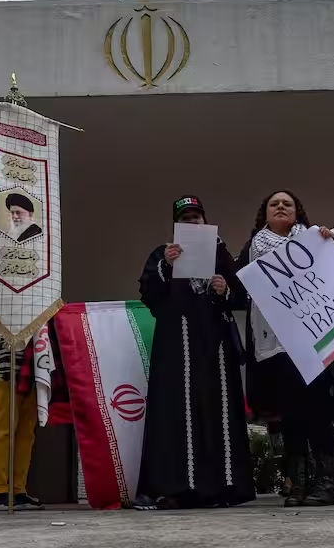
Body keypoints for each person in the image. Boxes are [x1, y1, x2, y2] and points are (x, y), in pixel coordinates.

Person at [133, 196, 253, 510]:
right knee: (176, 413)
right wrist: (166, 266)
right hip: (177, 348)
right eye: (185, 218)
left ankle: (223, 488)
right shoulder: (163, 253)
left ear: (204, 221)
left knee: (217, 410)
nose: (192, 222)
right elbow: (149, 295)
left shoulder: (220, 253)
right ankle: (177, 488)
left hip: (216, 347)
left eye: (196, 217)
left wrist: (224, 289)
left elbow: (242, 295)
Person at [242, 191, 334, 507]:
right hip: (276, 345)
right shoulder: (253, 248)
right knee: (291, 414)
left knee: (317, 410)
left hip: (313, 339)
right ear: (265, 214)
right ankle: (298, 484)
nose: (280, 207)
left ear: (297, 211)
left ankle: (324, 484)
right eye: (274, 204)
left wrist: (327, 244)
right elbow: (237, 285)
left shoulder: (314, 240)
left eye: (286, 203)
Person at [0, 332, 42, 511]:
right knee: (4, 428)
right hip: (8, 365)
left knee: (27, 433)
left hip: (35, 366)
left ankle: (18, 489)